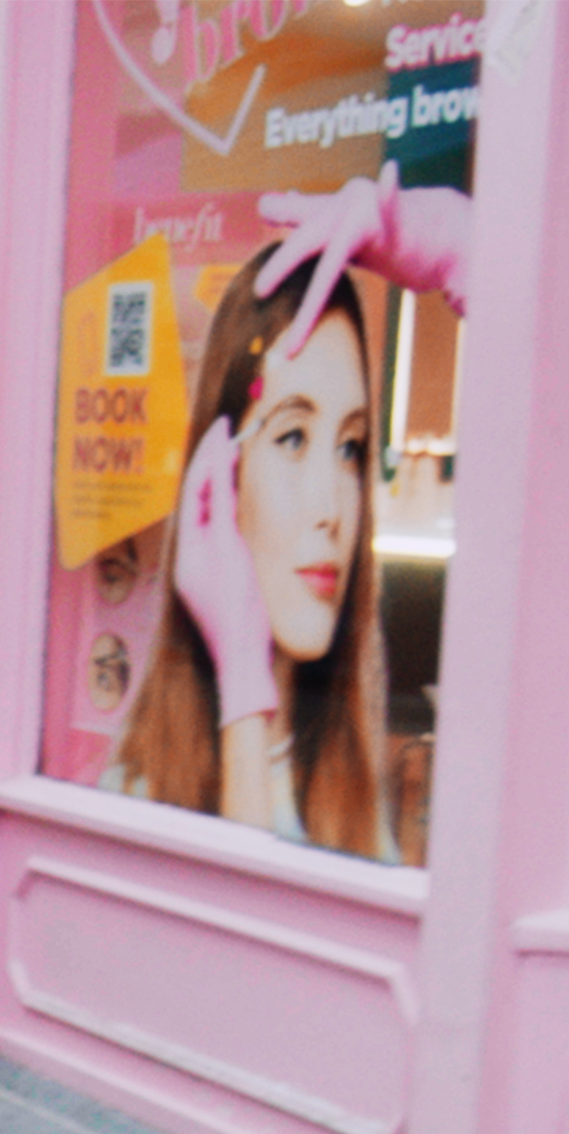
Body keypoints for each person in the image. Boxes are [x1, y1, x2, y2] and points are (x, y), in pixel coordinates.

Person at [104, 242, 393, 859]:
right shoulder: (143, 786)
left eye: (349, 448)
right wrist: (241, 670)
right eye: (291, 436)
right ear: (221, 479)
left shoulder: (351, 788)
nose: (332, 510)